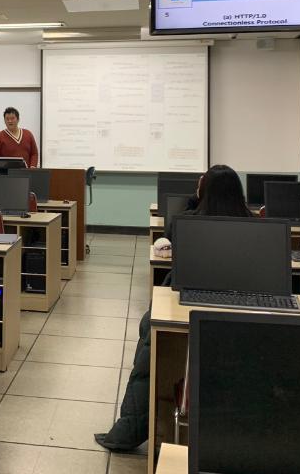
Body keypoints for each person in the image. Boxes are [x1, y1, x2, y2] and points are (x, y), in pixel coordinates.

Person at [95, 164, 252, 452]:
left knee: (151, 336)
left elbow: (169, 236)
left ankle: (132, 428)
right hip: (242, 311)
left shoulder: (187, 221)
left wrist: (195, 199)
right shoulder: (254, 225)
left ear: (203, 190)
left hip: (185, 303)